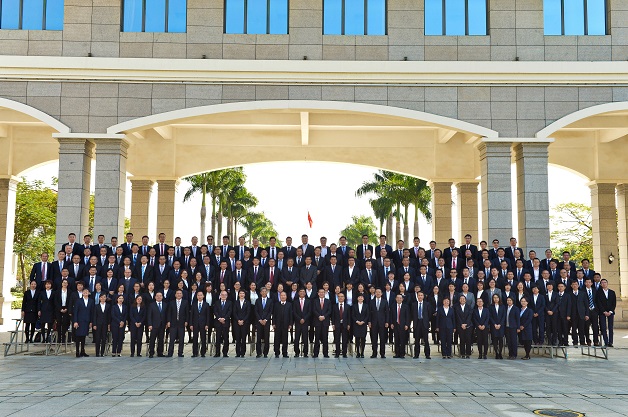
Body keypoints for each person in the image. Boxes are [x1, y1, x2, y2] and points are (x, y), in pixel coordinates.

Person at [167, 289, 188, 357]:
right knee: (172, 338)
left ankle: (180, 352)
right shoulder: (171, 302)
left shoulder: (185, 302)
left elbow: (187, 313)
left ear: (182, 295)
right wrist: (168, 321)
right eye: (177, 293)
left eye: (180, 293)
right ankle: (170, 353)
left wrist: (186, 321)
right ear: (175, 295)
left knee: (181, 339)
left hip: (182, 323)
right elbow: (169, 313)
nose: (179, 295)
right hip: (173, 322)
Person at [72, 288, 93, 357]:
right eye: (84, 291)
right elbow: (75, 312)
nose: (85, 292)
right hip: (79, 321)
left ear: (89, 293)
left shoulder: (91, 301)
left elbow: (91, 312)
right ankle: (77, 351)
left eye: (87, 291)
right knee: (78, 336)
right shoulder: (78, 301)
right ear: (82, 293)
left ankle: (82, 351)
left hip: (86, 321)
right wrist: (75, 321)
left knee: (83, 336)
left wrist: (91, 321)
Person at [190, 290, 211, 358]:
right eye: (198, 295)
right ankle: (195, 352)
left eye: (201, 295)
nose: (199, 296)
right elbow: (191, 315)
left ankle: (203, 352)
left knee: (203, 338)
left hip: (203, 324)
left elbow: (208, 315)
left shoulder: (206, 304)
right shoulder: (194, 304)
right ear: (196, 296)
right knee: (195, 338)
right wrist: (191, 324)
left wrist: (207, 324)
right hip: (195, 323)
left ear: (203, 296)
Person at [411, 291, 432, 359]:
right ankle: (416, 354)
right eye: (419, 295)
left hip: (424, 323)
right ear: (417, 296)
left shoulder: (427, 304)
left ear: (423, 296)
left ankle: (427, 354)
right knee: (417, 340)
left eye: (421, 295)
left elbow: (429, 314)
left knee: (426, 340)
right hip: (417, 323)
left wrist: (426, 321)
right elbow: (412, 314)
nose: (420, 296)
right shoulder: (414, 304)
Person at [368, 288, 389, 358]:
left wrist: (387, 321)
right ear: (375, 293)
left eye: (379, 292)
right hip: (373, 323)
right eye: (376, 292)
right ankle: (374, 353)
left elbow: (387, 312)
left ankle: (382, 353)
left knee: (382, 338)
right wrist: (369, 321)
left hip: (382, 323)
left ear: (381, 293)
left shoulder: (385, 301)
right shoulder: (371, 301)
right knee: (374, 339)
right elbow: (369, 313)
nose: (378, 293)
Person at [147, 292, 168, 358]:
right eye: (157, 296)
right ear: (155, 297)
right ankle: (151, 352)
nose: (159, 297)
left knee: (161, 339)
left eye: (160, 296)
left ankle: (160, 352)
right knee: (152, 339)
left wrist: (167, 323)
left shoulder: (165, 305)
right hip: (154, 325)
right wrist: (150, 324)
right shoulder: (151, 305)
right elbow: (149, 315)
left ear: (162, 297)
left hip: (162, 325)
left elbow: (166, 315)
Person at [272, 291, 293, 358]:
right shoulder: (276, 304)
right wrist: (273, 323)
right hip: (277, 324)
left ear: (286, 297)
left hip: (286, 325)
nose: (283, 297)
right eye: (281, 295)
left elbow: (291, 315)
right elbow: (274, 315)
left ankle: (285, 353)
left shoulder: (289, 304)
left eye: (284, 295)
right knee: (277, 339)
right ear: (280, 297)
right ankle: (277, 352)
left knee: (285, 339)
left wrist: (290, 324)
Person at [312, 288, 332, 358]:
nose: (321, 293)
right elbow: (314, 310)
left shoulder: (328, 301)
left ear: (325, 293)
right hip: (317, 321)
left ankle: (325, 353)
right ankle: (315, 353)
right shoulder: (315, 301)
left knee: (325, 338)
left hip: (325, 321)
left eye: (323, 292)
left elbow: (329, 311)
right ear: (318, 293)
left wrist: (324, 316)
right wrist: (319, 316)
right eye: (320, 292)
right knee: (317, 338)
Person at [597, 277, 616, 347]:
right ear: (600, 284)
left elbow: (614, 303)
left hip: (610, 312)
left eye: (605, 282)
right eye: (602, 283)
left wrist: (610, 311)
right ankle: (606, 342)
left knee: (610, 327)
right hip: (602, 312)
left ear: (607, 283)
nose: (604, 284)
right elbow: (598, 303)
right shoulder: (598, 293)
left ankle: (611, 342)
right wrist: (604, 311)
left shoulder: (612, 292)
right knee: (603, 327)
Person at [390, 293, 410, 358]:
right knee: (396, 339)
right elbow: (391, 316)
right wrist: (391, 323)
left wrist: (407, 324)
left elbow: (408, 316)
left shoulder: (406, 306)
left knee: (402, 339)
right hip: (395, 325)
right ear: (396, 299)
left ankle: (402, 354)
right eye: (398, 298)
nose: (399, 299)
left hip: (403, 325)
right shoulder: (393, 306)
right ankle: (397, 353)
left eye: (400, 298)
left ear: (402, 299)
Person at [293, 288, 311, 358]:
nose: (302, 293)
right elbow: (294, 312)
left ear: (305, 293)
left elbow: (309, 312)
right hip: (298, 322)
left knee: (305, 338)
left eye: (303, 292)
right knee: (297, 338)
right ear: (298, 293)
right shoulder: (295, 301)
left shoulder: (308, 301)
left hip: (305, 322)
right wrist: (299, 319)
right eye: (300, 291)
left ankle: (305, 352)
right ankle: (297, 352)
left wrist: (304, 319)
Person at [254, 287, 272, 358]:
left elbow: (270, 311)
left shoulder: (270, 301)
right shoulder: (257, 300)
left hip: (266, 322)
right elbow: (256, 311)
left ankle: (265, 353)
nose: (264, 293)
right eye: (263, 291)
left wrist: (266, 319)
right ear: (260, 293)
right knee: (258, 337)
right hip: (259, 322)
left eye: (265, 291)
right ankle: (258, 352)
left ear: (267, 292)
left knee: (266, 337)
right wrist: (260, 319)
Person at [332, 292, 351, 358]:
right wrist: (333, 324)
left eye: (342, 296)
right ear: (337, 298)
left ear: (344, 298)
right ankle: (337, 353)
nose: (340, 298)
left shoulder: (347, 306)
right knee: (337, 339)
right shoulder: (334, 306)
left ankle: (344, 353)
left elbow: (349, 316)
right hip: (337, 324)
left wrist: (349, 324)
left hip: (345, 324)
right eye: (339, 296)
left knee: (344, 339)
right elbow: (333, 316)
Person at [214, 290, 232, 357]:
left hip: (226, 322)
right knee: (218, 338)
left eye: (225, 295)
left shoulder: (229, 303)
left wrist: (224, 318)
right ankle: (217, 352)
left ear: (227, 296)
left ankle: (225, 352)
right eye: (222, 295)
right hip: (218, 322)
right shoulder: (217, 302)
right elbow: (215, 311)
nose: (224, 296)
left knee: (226, 338)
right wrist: (219, 318)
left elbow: (229, 311)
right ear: (220, 295)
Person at [454, 294, 473, 358]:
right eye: (461, 299)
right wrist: (461, 324)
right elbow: (457, 316)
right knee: (462, 339)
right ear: (459, 300)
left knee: (468, 339)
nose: (462, 300)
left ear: (465, 300)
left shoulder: (469, 307)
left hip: (468, 325)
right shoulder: (456, 307)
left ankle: (468, 354)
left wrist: (466, 324)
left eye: (463, 299)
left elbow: (469, 316)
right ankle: (462, 353)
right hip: (460, 326)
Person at [233, 290, 250, 358]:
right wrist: (238, 320)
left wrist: (243, 320)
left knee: (243, 338)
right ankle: (238, 352)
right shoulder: (236, 302)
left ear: (245, 294)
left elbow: (248, 313)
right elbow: (234, 312)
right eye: (240, 293)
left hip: (245, 322)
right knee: (238, 338)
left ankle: (243, 352)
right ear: (238, 294)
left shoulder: (247, 302)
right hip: (237, 322)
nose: (242, 294)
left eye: (243, 293)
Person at [53, 278, 71, 343]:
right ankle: (59, 338)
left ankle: (63, 337)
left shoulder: (70, 292)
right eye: (64, 283)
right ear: (61, 284)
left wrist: (67, 308)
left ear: (67, 284)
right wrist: (60, 309)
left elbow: (70, 301)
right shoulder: (57, 291)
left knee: (65, 323)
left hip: (66, 308)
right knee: (59, 322)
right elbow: (55, 301)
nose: (65, 284)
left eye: (66, 283)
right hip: (59, 309)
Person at [92, 293, 110, 357]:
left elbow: (109, 316)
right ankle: (97, 352)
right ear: (99, 298)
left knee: (104, 338)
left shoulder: (108, 306)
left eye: (104, 297)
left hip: (105, 324)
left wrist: (109, 324)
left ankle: (102, 352)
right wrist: (94, 324)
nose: (103, 298)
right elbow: (94, 316)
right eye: (101, 297)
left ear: (106, 298)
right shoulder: (96, 306)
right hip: (98, 324)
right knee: (97, 338)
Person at [352, 294, 369, 358]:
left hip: (363, 324)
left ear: (363, 298)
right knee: (357, 339)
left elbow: (367, 315)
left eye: (361, 297)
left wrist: (363, 321)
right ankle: (358, 352)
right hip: (356, 324)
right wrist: (357, 321)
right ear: (357, 298)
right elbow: (353, 315)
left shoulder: (366, 306)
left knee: (363, 339)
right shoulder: (354, 306)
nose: (360, 298)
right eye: (359, 297)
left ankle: (362, 352)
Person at [489, 293, 506, 359]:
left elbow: (504, 316)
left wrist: (500, 324)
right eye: (494, 298)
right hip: (494, 326)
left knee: (500, 339)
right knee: (495, 340)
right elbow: (490, 316)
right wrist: (494, 324)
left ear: (499, 298)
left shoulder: (502, 306)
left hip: (501, 326)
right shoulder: (491, 306)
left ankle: (500, 353)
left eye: (497, 297)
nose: (496, 299)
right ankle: (496, 353)